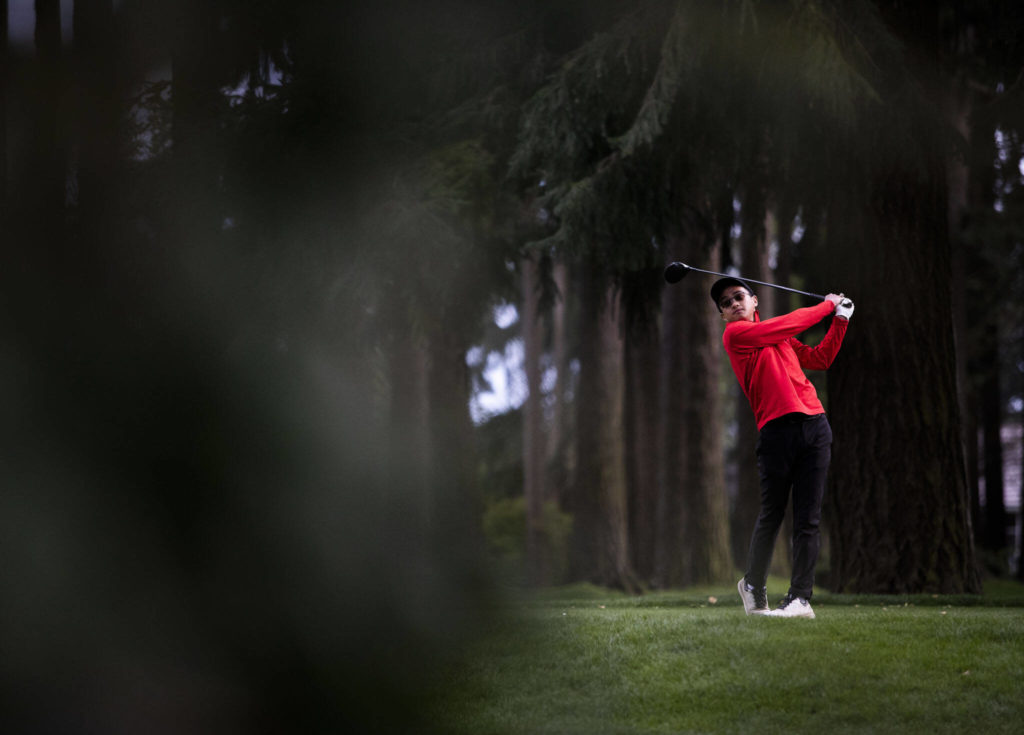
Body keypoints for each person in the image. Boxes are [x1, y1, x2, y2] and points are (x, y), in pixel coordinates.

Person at [711, 276, 853, 619]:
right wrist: (826, 305)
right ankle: (754, 585)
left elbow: (821, 359)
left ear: (754, 301)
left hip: (815, 426)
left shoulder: (781, 337)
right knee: (773, 514)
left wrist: (840, 320)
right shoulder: (737, 335)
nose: (733, 304)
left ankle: (800, 599)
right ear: (723, 316)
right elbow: (792, 321)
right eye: (726, 303)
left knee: (808, 520)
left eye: (738, 296)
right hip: (776, 433)